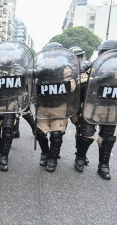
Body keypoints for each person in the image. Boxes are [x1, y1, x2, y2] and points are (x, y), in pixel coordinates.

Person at [74, 40, 117, 180]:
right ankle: (80, 157)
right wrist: (97, 79)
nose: (109, 56)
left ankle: (104, 165)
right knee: (86, 136)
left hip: (111, 108)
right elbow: (79, 86)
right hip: (92, 106)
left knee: (107, 139)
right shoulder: (90, 67)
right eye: (106, 52)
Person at [34, 42, 78, 172]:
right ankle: (45, 152)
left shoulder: (66, 70)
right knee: (40, 134)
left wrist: (56, 77)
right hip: (43, 107)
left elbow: (71, 87)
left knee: (56, 135)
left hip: (59, 107)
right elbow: (32, 87)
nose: (51, 59)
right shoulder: (39, 70)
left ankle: (52, 159)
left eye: (54, 56)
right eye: (49, 56)